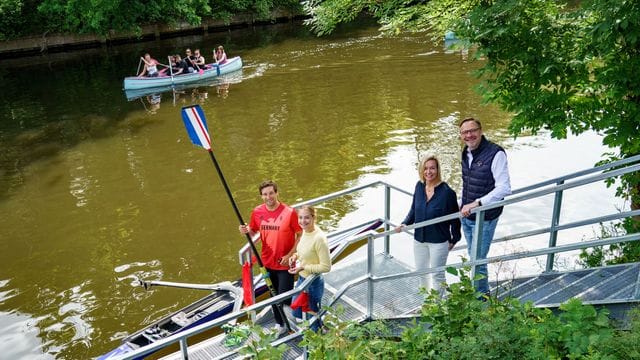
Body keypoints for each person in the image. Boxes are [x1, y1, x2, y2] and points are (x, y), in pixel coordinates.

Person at [239, 180, 302, 335]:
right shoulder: (257, 212)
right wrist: (245, 231)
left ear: (277, 193)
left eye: (271, 193)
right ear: (261, 196)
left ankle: (290, 324)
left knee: (284, 296)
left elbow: (300, 234)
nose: (269, 197)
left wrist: (290, 255)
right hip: (266, 262)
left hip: (285, 263)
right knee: (273, 295)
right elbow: (253, 232)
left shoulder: (289, 212)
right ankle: (280, 324)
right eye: (265, 194)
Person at [458, 117, 511, 297]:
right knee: (474, 256)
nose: (469, 135)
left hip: (485, 216)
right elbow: (468, 183)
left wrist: (477, 203)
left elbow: (504, 188)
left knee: (478, 258)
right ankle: (479, 291)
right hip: (467, 216)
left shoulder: (496, 153)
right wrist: (460, 203)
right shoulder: (466, 153)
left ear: (480, 131)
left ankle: (481, 296)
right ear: (461, 135)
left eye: (472, 131)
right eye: (465, 132)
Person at [396, 155, 461, 296]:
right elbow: (414, 209)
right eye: (425, 168)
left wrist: (454, 239)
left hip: (438, 241)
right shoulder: (419, 186)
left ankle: (437, 307)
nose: (429, 172)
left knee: (437, 275)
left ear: (437, 170)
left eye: (432, 168)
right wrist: (404, 223)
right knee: (422, 273)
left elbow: (455, 219)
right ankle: (426, 303)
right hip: (419, 239)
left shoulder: (447, 193)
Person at [288, 205, 331, 331]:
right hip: (302, 279)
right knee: (297, 310)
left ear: (313, 217)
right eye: (300, 218)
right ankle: (312, 334)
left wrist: (303, 267)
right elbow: (304, 251)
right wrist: (295, 256)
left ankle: (316, 344)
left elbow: (326, 267)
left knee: (312, 317)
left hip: (313, 283)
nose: (302, 221)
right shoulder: (305, 232)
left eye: (306, 218)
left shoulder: (319, 238)